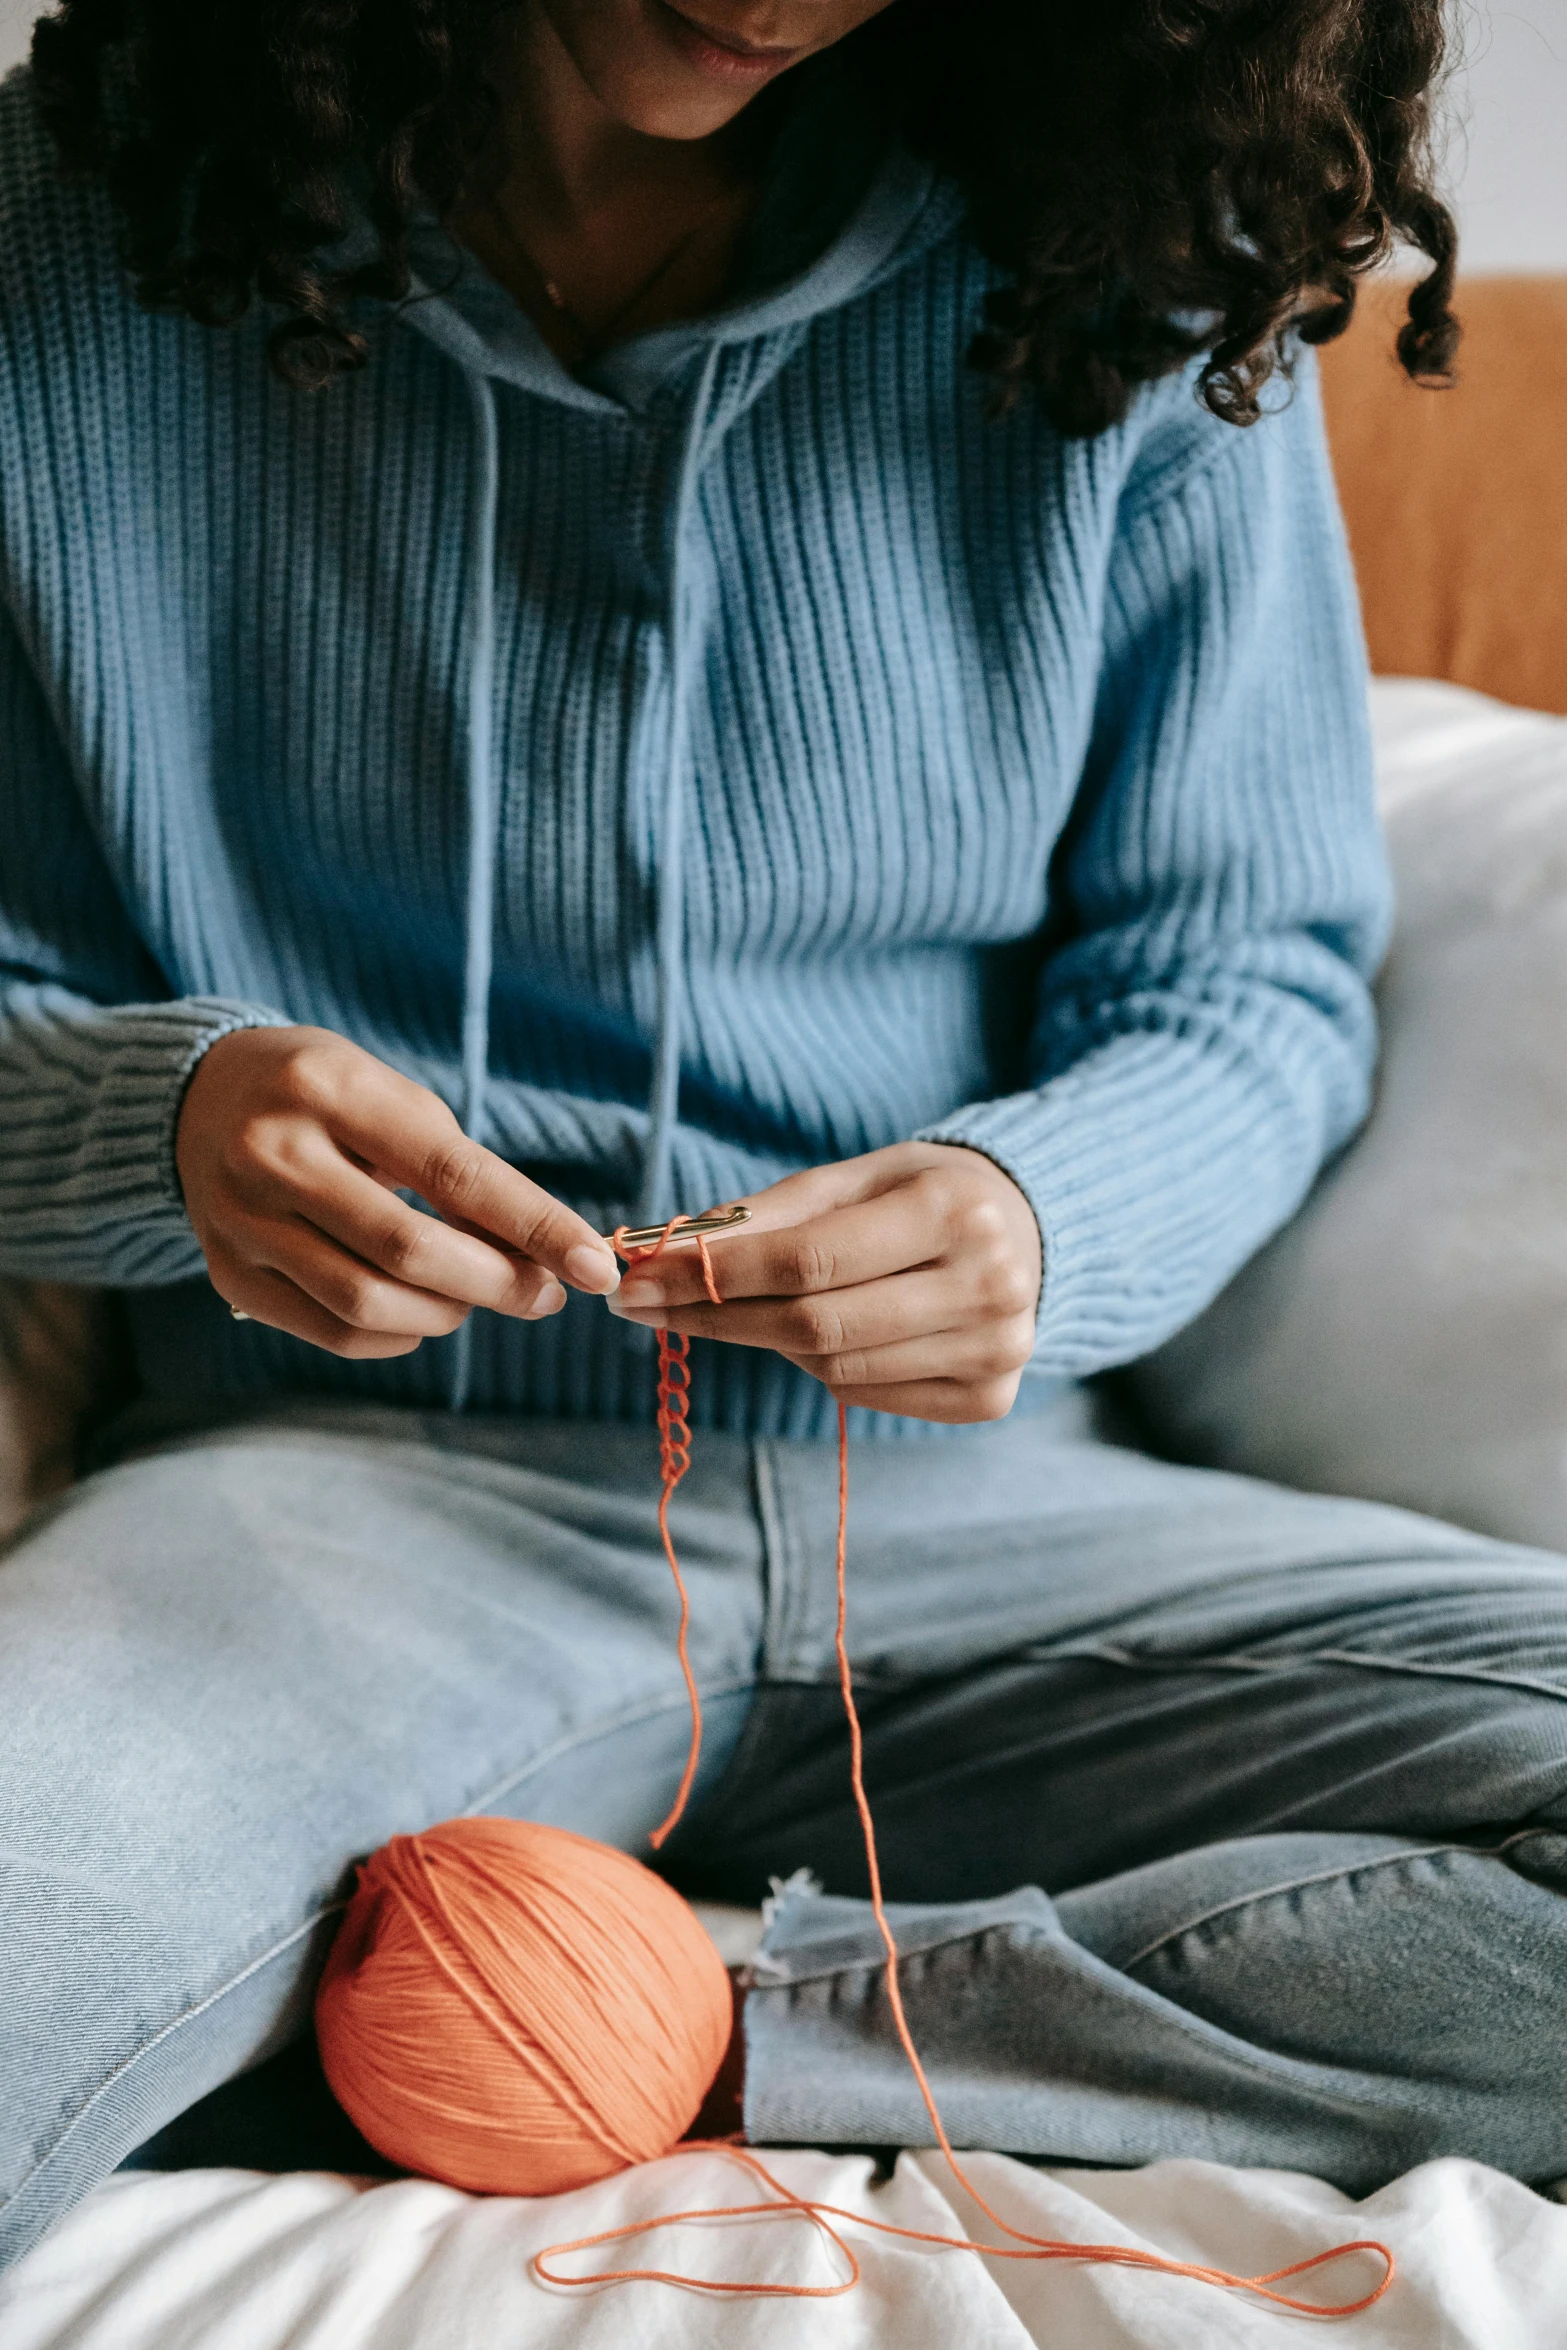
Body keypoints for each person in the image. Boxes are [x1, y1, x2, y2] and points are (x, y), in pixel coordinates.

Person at [3, 0, 1564, 2278]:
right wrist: (158, 1122)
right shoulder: (67, 236)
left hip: (987, 1517)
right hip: (329, 1499)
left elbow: (1247, 981)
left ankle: (624, 2012)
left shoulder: (1139, 250)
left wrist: (1046, 1216)